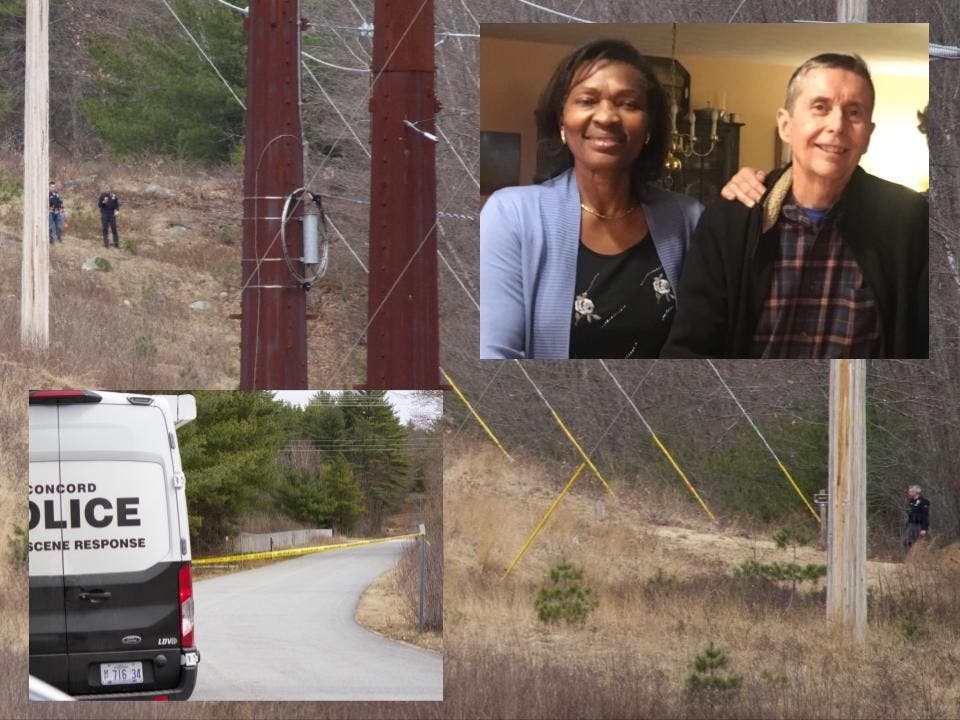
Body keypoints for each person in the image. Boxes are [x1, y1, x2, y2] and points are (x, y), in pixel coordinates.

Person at [661, 53, 928, 359]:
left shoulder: (909, 222)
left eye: (854, 112)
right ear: (785, 125)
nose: (837, 125)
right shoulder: (731, 220)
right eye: (820, 107)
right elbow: (690, 346)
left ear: (868, 135)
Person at [480, 39, 704, 359]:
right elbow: (494, 353)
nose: (607, 117)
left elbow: (707, 340)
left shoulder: (687, 219)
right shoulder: (511, 214)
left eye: (628, 104)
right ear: (561, 121)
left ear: (649, 128)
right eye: (587, 100)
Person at [903, 484, 930, 549]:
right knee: (906, 542)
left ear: (916, 492)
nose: (909, 493)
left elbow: (925, 516)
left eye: (910, 492)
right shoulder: (911, 501)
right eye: (909, 492)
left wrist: (924, 528)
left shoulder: (923, 502)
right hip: (911, 525)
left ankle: (918, 557)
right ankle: (910, 557)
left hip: (919, 525)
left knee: (918, 543)